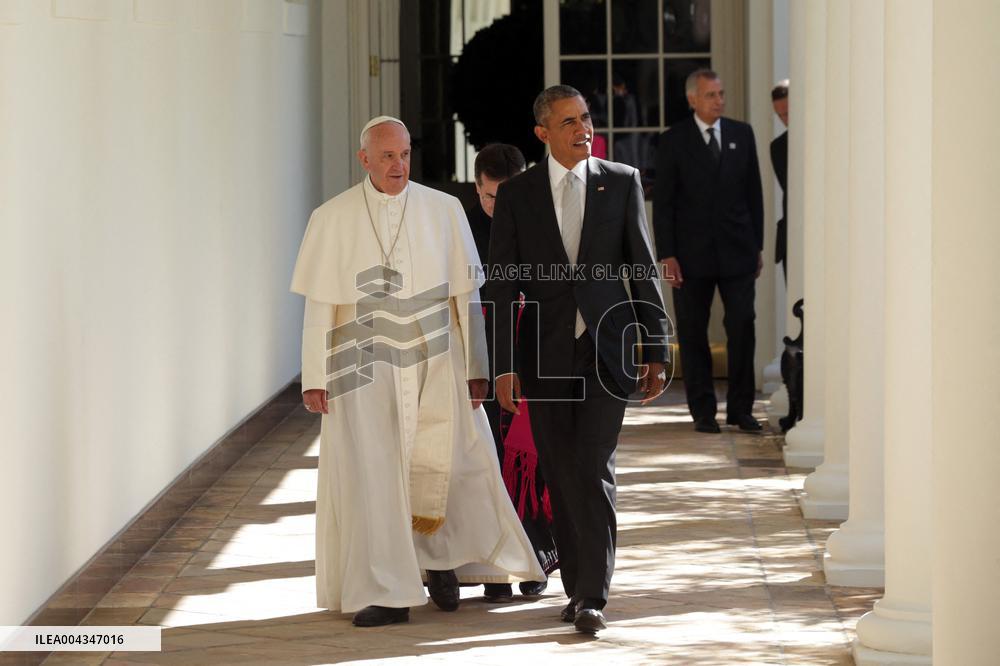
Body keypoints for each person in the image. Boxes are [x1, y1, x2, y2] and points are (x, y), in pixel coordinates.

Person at [290, 116, 544, 628]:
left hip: (437, 358)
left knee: (459, 464)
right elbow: (320, 304)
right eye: (386, 156)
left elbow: (465, 294)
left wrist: (478, 367)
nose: (397, 164)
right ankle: (387, 589)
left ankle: (451, 564)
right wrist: (315, 375)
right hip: (359, 365)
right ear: (364, 159)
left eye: (404, 154)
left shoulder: (443, 208)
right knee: (376, 475)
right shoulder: (332, 217)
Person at [487, 85, 668, 635]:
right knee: (562, 473)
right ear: (543, 133)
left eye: (585, 119)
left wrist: (656, 349)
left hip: (606, 351)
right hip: (542, 357)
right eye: (568, 122)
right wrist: (501, 363)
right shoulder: (518, 195)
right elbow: (500, 284)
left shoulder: (622, 182)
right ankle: (576, 588)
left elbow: (643, 266)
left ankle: (592, 594)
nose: (582, 129)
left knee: (593, 468)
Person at [653, 69, 765, 434]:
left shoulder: (741, 134)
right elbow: (664, 204)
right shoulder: (673, 141)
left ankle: (741, 409)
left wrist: (758, 245)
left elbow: (754, 195)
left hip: (738, 253)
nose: (719, 100)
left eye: (721, 93)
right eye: (711, 94)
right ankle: (702, 411)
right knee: (692, 332)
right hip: (689, 257)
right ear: (692, 100)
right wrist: (667, 254)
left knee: (742, 325)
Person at [467, 143, 556, 603]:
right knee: (488, 463)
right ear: (476, 189)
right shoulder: (462, 228)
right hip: (481, 356)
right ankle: (494, 568)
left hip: (534, 355)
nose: (497, 208)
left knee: (530, 460)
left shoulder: (542, 220)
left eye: (506, 197)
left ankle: (535, 560)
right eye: (488, 198)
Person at [770, 80, 789, 281]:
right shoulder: (778, 147)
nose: (786, 119)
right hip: (790, 242)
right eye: (781, 115)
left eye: (789, 112)